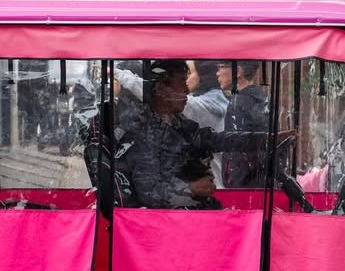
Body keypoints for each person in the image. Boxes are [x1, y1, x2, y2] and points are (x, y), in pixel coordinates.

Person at [116, 60, 272, 209]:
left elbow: (214, 140)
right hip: (168, 220)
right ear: (161, 90)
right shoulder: (142, 132)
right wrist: (190, 189)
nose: (186, 90)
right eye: (181, 84)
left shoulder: (180, 124)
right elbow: (148, 194)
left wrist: (265, 139)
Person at [222, 60, 270, 188]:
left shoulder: (237, 103)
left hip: (242, 186)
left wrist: (232, 182)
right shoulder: (264, 99)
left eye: (222, 66)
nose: (217, 73)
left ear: (238, 71)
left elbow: (236, 150)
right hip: (263, 181)